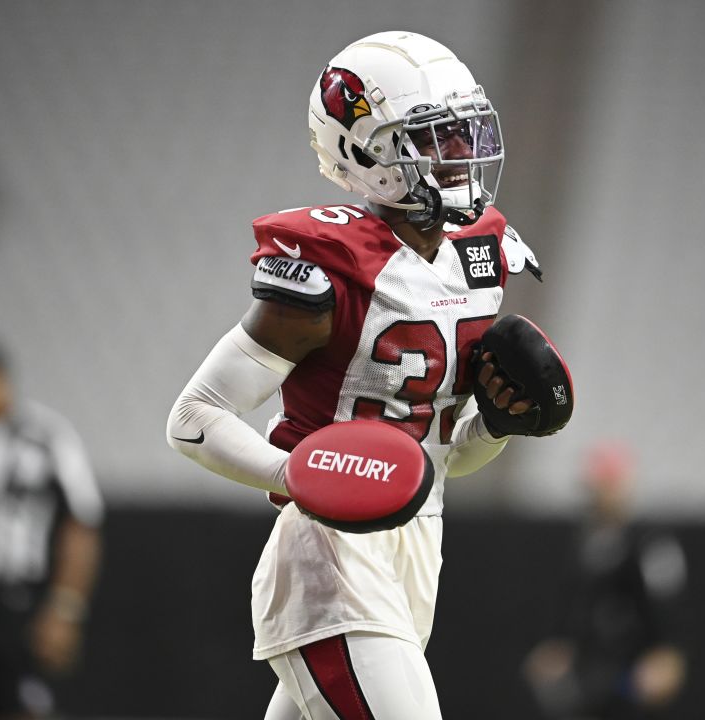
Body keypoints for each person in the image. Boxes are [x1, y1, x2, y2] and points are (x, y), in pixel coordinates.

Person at [166, 31, 552, 720]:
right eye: (434, 137)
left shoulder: (481, 256)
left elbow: (440, 465)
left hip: (415, 553)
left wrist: (492, 425)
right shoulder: (330, 263)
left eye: (464, 132)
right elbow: (194, 417)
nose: (461, 153)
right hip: (330, 554)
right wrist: (296, 476)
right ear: (365, 150)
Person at [0, 341, 105, 719]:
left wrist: (65, 607)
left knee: (20, 705)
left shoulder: (43, 436)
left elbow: (82, 522)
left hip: (16, 598)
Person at [523, 443, 688, 720]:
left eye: (609, 485)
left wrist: (666, 653)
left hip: (632, 672)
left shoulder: (649, 543)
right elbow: (576, 604)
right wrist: (559, 645)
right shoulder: (586, 542)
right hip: (590, 671)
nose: (601, 494)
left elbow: (666, 606)